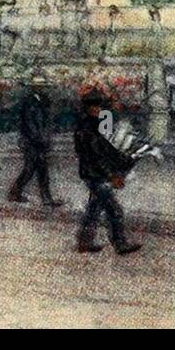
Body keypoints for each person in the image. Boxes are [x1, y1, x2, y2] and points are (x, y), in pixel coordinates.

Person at [74, 90, 141, 255]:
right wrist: (113, 175)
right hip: (95, 176)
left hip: (94, 174)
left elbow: (108, 150)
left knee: (94, 209)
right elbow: (97, 157)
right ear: (88, 109)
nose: (99, 110)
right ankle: (120, 244)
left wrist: (127, 159)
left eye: (100, 107)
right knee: (114, 210)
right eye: (95, 107)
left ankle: (84, 241)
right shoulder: (86, 130)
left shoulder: (96, 126)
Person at [8, 75, 61, 206]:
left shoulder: (44, 100)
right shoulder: (28, 101)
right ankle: (17, 192)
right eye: (39, 86)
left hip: (40, 140)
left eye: (43, 87)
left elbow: (48, 119)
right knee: (30, 169)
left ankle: (46, 198)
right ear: (34, 88)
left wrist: (46, 135)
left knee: (40, 169)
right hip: (31, 140)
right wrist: (39, 137)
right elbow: (28, 122)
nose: (42, 89)